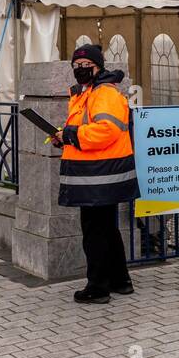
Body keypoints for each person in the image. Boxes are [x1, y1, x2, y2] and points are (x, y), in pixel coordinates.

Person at [52, 44, 137, 303]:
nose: (80, 70)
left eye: (85, 65)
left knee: (95, 232)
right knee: (107, 228)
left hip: (99, 173)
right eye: (76, 66)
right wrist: (63, 136)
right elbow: (83, 127)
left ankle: (97, 288)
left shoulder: (104, 93)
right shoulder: (86, 94)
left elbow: (107, 130)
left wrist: (70, 135)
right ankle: (120, 281)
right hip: (97, 173)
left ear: (98, 66)